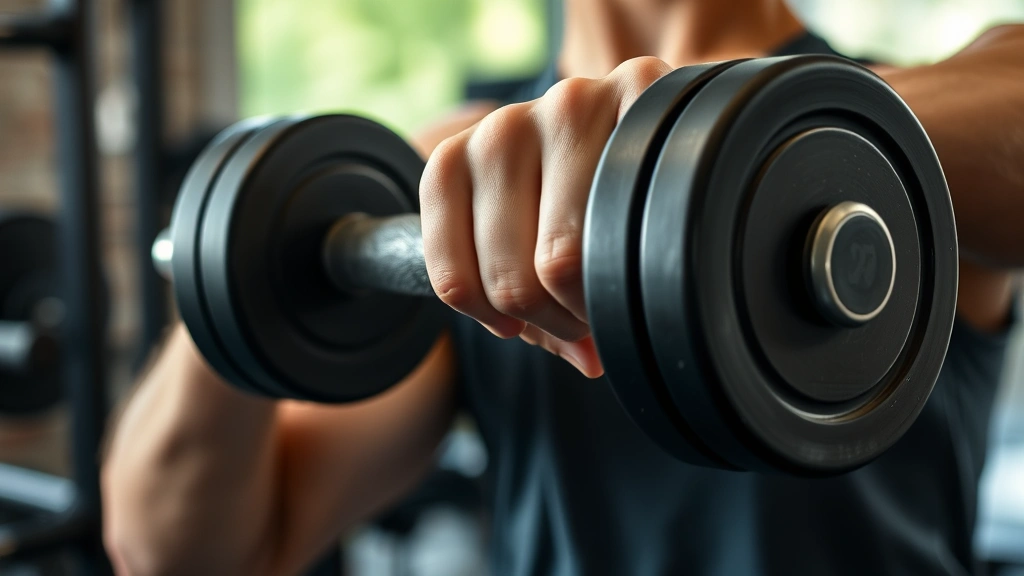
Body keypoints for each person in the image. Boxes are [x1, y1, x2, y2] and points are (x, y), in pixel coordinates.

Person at [102, 1, 1024, 574]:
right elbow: (177, 551)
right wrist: (249, 243)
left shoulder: (886, 128)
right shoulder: (465, 182)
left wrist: (725, 149)